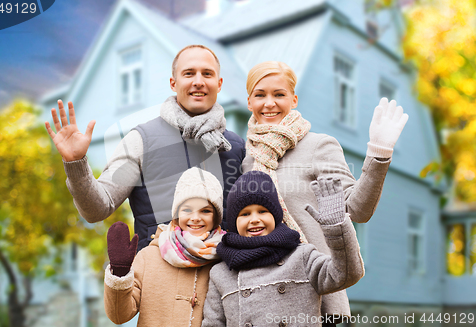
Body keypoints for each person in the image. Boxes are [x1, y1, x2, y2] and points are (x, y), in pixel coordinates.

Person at [242, 61, 408, 324]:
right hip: (265, 301)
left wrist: (379, 153)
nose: (269, 103)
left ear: (293, 99)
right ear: (249, 101)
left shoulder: (318, 146)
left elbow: (358, 210)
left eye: (279, 94)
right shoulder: (248, 160)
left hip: (317, 295)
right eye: (260, 94)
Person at [45, 45, 245, 250]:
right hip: (157, 276)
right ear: (173, 83)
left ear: (219, 84)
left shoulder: (237, 148)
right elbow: (97, 208)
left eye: (207, 74)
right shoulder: (141, 141)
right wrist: (76, 163)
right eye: (189, 73)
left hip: (221, 278)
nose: (198, 81)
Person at [201, 171, 364, 327]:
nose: (255, 219)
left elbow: (347, 274)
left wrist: (337, 229)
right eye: (245, 214)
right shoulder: (220, 273)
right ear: (233, 222)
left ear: (276, 216)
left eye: (262, 211)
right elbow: (212, 324)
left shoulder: (302, 256)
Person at [104, 167, 225, 327]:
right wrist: (120, 273)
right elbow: (119, 316)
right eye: (187, 210)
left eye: (205, 211)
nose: (195, 218)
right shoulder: (148, 257)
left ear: (216, 216)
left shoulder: (225, 258)